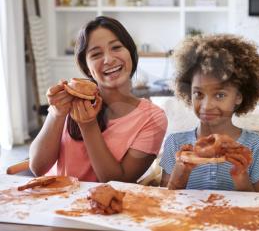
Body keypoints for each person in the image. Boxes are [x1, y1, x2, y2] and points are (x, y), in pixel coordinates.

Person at [29, 16, 167, 183]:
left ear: (131, 52)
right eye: (96, 54)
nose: (108, 59)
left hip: (111, 207)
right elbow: (38, 168)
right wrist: (56, 115)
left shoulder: (153, 118)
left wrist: (88, 126)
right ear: (86, 67)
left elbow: (117, 182)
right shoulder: (70, 101)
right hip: (59, 201)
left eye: (116, 47)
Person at [159, 34, 259, 192]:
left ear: (238, 97)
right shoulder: (175, 143)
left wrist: (241, 175)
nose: (207, 106)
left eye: (220, 95)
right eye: (198, 94)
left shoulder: (254, 144)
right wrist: (181, 173)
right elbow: (164, 203)